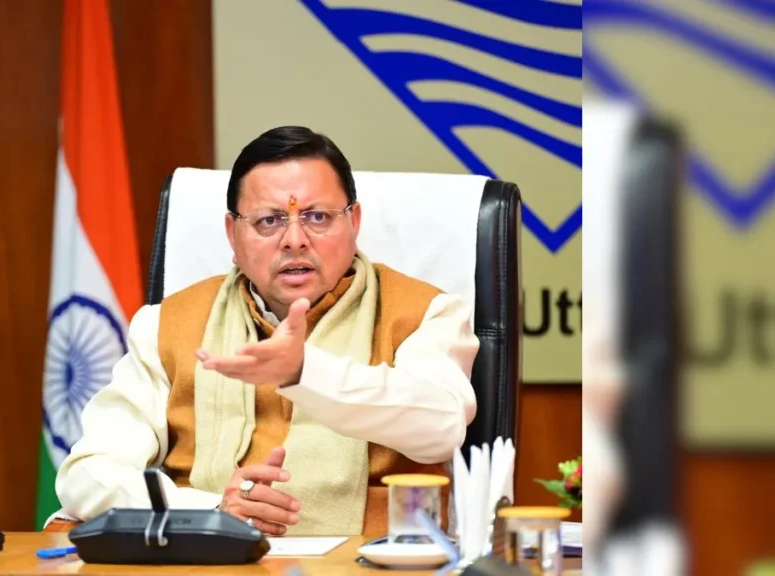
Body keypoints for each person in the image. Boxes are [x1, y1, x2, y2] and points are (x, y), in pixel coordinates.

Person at [48, 126, 479, 537]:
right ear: (232, 234)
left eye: (317, 216)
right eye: (269, 221)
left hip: (367, 563)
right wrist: (210, 514)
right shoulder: (166, 325)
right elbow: (88, 473)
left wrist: (303, 371)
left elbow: (440, 429)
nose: (295, 240)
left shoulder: (425, 314)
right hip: (210, 562)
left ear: (355, 222)